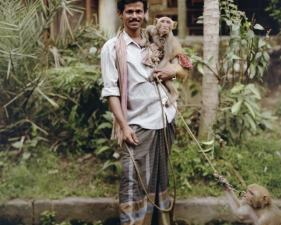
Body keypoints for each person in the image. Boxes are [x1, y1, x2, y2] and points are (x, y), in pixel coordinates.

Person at [101, 0, 186, 224]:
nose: (134, 16)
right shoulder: (112, 47)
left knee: (159, 177)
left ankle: (160, 221)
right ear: (120, 13)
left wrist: (173, 72)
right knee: (133, 181)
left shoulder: (156, 39)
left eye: (139, 11)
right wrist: (124, 126)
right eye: (129, 11)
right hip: (138, 124)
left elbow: (185, 63)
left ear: (146, 14)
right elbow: (111, 92)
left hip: (165, 118)